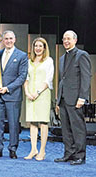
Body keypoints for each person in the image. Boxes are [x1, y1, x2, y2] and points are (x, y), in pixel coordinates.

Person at [0, 30, 28, 159]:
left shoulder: (22, 56)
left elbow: (22, 77)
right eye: (6, 39)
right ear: (2, 40)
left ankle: (12, 149)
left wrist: (7, 88)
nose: (8, 41)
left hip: (13, 95)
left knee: (13, 124)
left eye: (11, 38)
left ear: (15, 39)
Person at [54, 30, 91, 165]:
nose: (66, 41)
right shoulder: (62, 58)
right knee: (66, 129)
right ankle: (69, 153)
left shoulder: (82, 55)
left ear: (75, 40)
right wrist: (58, 99)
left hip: (76, 99)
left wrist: (82, 97)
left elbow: (86, 78)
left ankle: (80, 155)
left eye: (69, 39)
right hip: (63, 99)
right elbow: (61, 80)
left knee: (78, 128)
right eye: (64, 39)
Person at [23, 37, 54, 161]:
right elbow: (25, 78)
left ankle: (42, 151)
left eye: (40, 46)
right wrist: (27, 92)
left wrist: (37, 92)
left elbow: (48, 80)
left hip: (42, 95)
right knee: (32, 122)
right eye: (36, 46)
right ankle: (33, 149)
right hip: (30, 94)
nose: (38, 48)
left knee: (43, 122)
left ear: (44, 48)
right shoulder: (28, 61)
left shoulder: (49, 61)